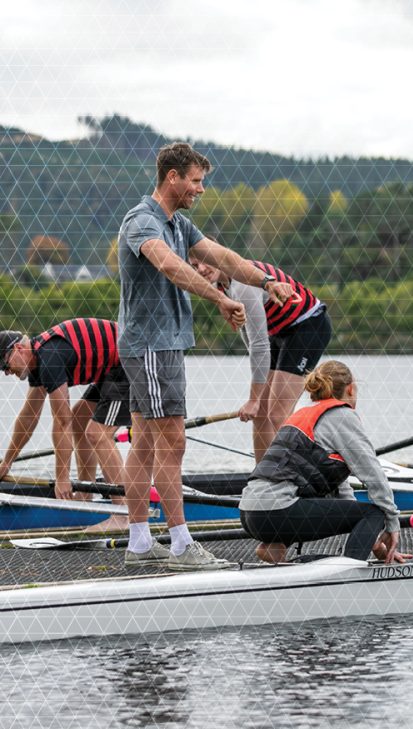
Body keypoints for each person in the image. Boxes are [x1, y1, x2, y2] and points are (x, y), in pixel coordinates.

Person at [118, 142, 295, 570]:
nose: (200, 189)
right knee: (172, 443)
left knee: (144, 445)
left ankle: (140, 543)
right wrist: (218, 297)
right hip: (151, 346)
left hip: (161, 346)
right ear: (173, 177)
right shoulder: (143, 221)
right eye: (196, 181)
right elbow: (169, 267)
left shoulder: (179, 224)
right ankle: (180, 545)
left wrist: (266, 282)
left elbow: (223, 257)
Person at [240, 360, 408, 564]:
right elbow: (373, 474)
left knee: (357, 513)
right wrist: (391, 522)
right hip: (277, 511)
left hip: (250, 513)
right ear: (351, 389)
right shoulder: (342, 415)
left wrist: (372, 540)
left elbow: (342, 495)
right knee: (375, 512)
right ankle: (349, 572)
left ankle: (274, 548)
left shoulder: (302, 414)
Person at [191, 258, 332, 460]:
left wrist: (253, 399)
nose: (202, 269)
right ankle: (263, 479)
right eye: (194, 266)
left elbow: (259, 345)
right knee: (260, 414)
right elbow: (249, 336)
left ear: (218, 256)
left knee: (277, 414)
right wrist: (256, 402)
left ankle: (307, 472)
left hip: (308, 326)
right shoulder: (218, 285)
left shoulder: (242, 286)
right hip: (278, 332)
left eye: (205, 261)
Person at [0, 320, 131, 531]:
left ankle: (126, 514)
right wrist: (7, 461)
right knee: (80, 423)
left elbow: (62, 421)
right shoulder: (38, 360)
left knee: (98, 434)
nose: (7, 372)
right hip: (112, 368)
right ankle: (86, 496)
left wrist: (62, 477)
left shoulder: (49, 358)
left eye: (5, 365)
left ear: (18, 349)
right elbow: (28, 418)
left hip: (131, 362)